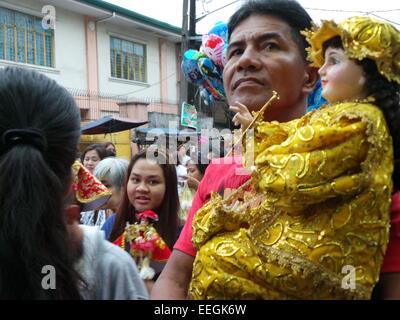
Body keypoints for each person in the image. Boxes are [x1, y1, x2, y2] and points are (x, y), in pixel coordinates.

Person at [188, 16, 400, 299]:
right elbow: (294, 135)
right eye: (235, 51)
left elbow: (292, 172)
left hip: (323, 265)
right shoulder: (335, 118)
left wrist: (262, 155)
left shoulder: (358, 120)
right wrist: (256, 129)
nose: (323, 68)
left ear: (367, 71)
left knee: (218, 258)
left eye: (334, 61)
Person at [151, 0, 318, 299]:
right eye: (235, 51)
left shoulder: (350, 163)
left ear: (310, 76)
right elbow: (175, 278)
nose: (246, 61)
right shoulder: (219, 170)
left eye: (269, 46)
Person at [101, 150, 180, 295]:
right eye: (136, 180)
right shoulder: (112, 224)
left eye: (153, 182)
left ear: (168, 186)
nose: (142, 188)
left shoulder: (183, 232)